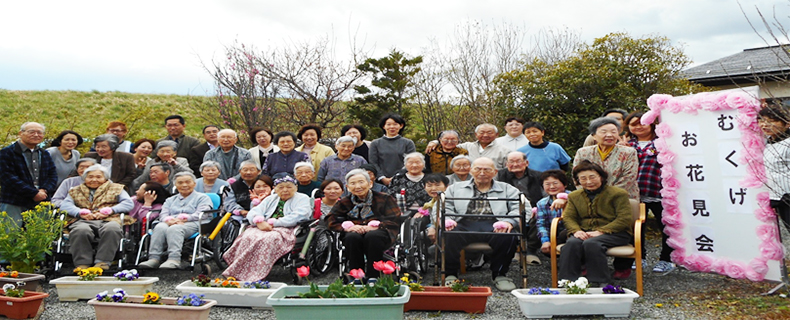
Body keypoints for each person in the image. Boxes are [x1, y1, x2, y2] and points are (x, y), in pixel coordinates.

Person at [442, 157, 525, 291]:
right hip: (463, 222)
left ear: (495, 172)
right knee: (449, 233)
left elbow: (521, 207)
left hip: (495, 222)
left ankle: (500, 274)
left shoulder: (507, 189)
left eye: (487, 169)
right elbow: (445, 206)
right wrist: (448, 220)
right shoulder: (455, 188)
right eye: (478, 169)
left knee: (508, 236)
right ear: (471, 170)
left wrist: (509, 221)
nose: (482, 172)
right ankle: (450, 274)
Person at [222, 175, 311, 281]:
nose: (285, 190)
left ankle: (256, 273)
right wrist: (259, 221)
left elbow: (300, 215)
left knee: (266, 239)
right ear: (275, 189)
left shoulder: (302, 198)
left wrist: (275, 223)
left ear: (296, 188)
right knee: (247, 236)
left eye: (289, 187)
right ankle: (238, 269)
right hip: (262, 226)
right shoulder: (270, 198)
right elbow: (254, 211)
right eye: (281, 187)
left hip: (287, 228)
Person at [559, 160, 633, 285]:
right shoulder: (574, 196)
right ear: (577, 181)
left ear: (601, 177)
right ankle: (568, 282)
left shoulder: (618, 194)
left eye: (592, 177)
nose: (588, 182)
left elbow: (624, 219)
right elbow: (569, 217)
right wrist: (576, 231)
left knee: (592, 243)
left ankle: (600, 282)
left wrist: (601, 231)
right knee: (571, 243)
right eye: (583, 178)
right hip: (585, 231)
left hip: (615, 233)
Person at [624, 111, 674, 274]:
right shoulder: (627, 145)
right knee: (636, 228)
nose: (638, 127)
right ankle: (639, 257)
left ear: (652, 123)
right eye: (633, 124)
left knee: (667, 227)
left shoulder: (663, 142)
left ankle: (666, 260)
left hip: (660, 192)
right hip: (634, 194)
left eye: (641, 123)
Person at [326, 169, 401, 276]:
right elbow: (330, 219)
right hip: (354, 232)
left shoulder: (384, 198)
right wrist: (347, 228)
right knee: (352, 237)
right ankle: (356, 274)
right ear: (347, 187)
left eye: (361, 182)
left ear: (370, 184)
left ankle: (374, 275)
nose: (357, 186)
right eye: (353, 183)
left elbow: (394, 218)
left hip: (380, 231)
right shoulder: (344, 202)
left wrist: (378, 225)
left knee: (372, 236)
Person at [59, 165, 134, 270]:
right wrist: (80, 212)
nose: (94, 179)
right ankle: (82, 264)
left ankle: (103, 262)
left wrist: (110, 210)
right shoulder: (75, 190)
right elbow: (65, 205)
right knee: (80, 230)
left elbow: (128, 203)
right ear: (85, 178)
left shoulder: (117, 188)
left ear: (105, 178)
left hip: (109, 219)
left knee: (112, 229)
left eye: (98, 177)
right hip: (83, 220)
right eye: (90, 177)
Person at [138, 172, 214, 269]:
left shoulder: (203, 197)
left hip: (194, 222)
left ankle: (174, 259)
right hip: (171, 222)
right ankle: (154, 258)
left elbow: (202, 213)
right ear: (175, 185)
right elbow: (163, 213)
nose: (184, 185)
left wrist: (185, 218)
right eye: (180, 183)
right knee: (160, 226)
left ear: (194, 184)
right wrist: (168, 220)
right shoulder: (170, 200)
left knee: (175, 228)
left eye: (187, 182)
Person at [0, 122, 58, 225]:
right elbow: (8, 177)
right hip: (14, 201)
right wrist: (33, 193)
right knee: (12, 234)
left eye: (39, 132)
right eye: (31, 132)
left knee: (39, 235)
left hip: (41, 201)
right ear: (20, 133)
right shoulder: (6, 153)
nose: (36, 135)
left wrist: (44, 190)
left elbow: (52, 175)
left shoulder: (44, 153)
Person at [573, 117, 639, 200]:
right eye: (603, 132)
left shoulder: (628, 152)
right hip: (590, 198)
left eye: (613, 132)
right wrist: (589, 194)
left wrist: (605, 196)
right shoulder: (583, 152)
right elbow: (577, 176)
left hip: (621, 198)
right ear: (594, 136)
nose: (609, 135)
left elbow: (629, 178)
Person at [426, 124, 510, 170]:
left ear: (496, 135)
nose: (485, 135)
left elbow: (507, 171)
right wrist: (435, 142)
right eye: (482, 132)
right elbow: (449, 144)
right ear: (476, 134)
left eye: (489, 132)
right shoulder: (467, 146)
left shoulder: (505, 151)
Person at [760, 104, 790, 226]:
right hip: (778, 197)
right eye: (762, 120)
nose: (765, 125)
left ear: (787, 124)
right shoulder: (768, 142)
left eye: (771, 121)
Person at [369, 113, 416, 185]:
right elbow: (373, 162)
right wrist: (382, 177)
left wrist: (396, 177)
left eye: (395, 124)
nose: (392, 127)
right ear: (383, 126)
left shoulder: (408, 143)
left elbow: (410, 162)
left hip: (403, 180)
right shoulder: (375, 143)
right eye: (388, 124)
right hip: (380, 182)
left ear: (401, 126)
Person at [534, 170, 569, 256]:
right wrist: (545, 241)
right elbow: (541, 224)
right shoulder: (541, 203)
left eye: (555, 183)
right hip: (554, 236)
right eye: (547, 184)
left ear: (565, 184)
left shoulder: (574, 198)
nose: (552, 187)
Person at [421, 173, 449, 243]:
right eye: (429, 186)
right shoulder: (430, 203)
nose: (433, 189)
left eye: (437, 185)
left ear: (446, 187)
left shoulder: (449, 201)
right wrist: (432, 227)